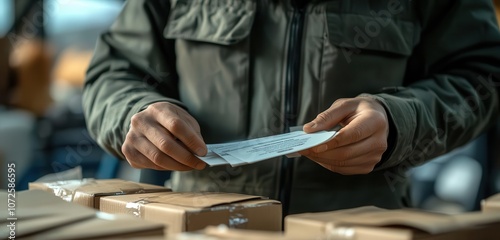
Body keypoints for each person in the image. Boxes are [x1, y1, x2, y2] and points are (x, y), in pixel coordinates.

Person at [84, 0, 500, 215]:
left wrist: (399, 122)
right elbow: (115, 71)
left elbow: (483, 72)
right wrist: (133, 112)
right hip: (199, 236)